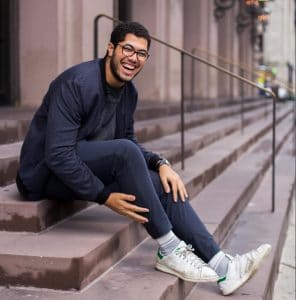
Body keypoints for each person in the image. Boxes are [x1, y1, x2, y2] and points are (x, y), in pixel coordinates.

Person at [16, 21, 271, 296]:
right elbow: (58, 154)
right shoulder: (77, 84)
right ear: (110, 48)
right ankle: (170, 248)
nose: (133, 58)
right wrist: (103, 195)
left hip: (83, 161)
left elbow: (130, 142)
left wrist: (160, 164)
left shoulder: (129, 93)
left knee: (162, 184)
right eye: (127, 49)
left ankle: (223, 268)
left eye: (141, 53)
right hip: (44, 174)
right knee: (124, 152)